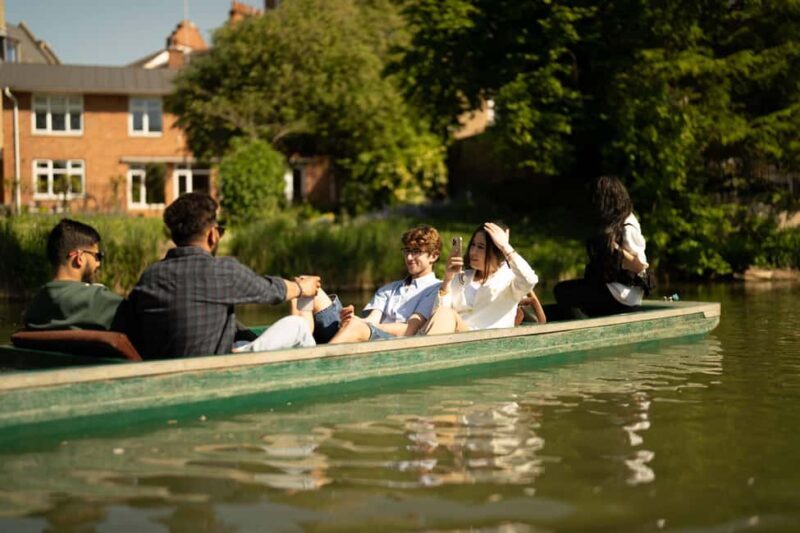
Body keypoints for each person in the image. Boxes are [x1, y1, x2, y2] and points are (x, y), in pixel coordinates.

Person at [128, 193, 321, 359]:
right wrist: (303, 288)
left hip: (166, 378)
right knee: (297, 326)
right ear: (212, 234)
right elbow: (272, 292)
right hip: (214, 376)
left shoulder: (149, 277)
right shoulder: (223, 272)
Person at [300, 225, 443, 344]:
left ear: (434, 256)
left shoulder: (436, 289)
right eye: (407, 251)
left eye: (416, 252)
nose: (409, 257)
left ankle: (319, 364)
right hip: (366, 335)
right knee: (308, 287)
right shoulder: (389, 289)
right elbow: (371, 320)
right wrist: (351, 319)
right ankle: (301, 351)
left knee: (356, 326)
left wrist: (362, 325)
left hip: (393, 346)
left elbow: (409, 330)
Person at [553, 176, 652, 318]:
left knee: (562, 291)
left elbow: (639, 267)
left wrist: (616, 248)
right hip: (612, 291)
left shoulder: (627, 224)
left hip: (622, 295)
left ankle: (583, 330)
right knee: (574, 289)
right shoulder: (613, 222)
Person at [422, 221, 539, 334]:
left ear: (496, 250)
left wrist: (505, 247)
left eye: (480, 247)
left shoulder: (509, 279)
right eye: (473, 245)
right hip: (456, 339)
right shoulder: (461, 277)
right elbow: (437, 315)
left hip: (487, 342)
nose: (473, 252)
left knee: (445, 314)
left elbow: (529, 279)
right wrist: (447, 279)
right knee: (444, 313)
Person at [24, 219, 130, 332]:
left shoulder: (34, 307)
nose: (98, 263)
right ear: (79, 257)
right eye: (97, 256)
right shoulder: (97, 299)